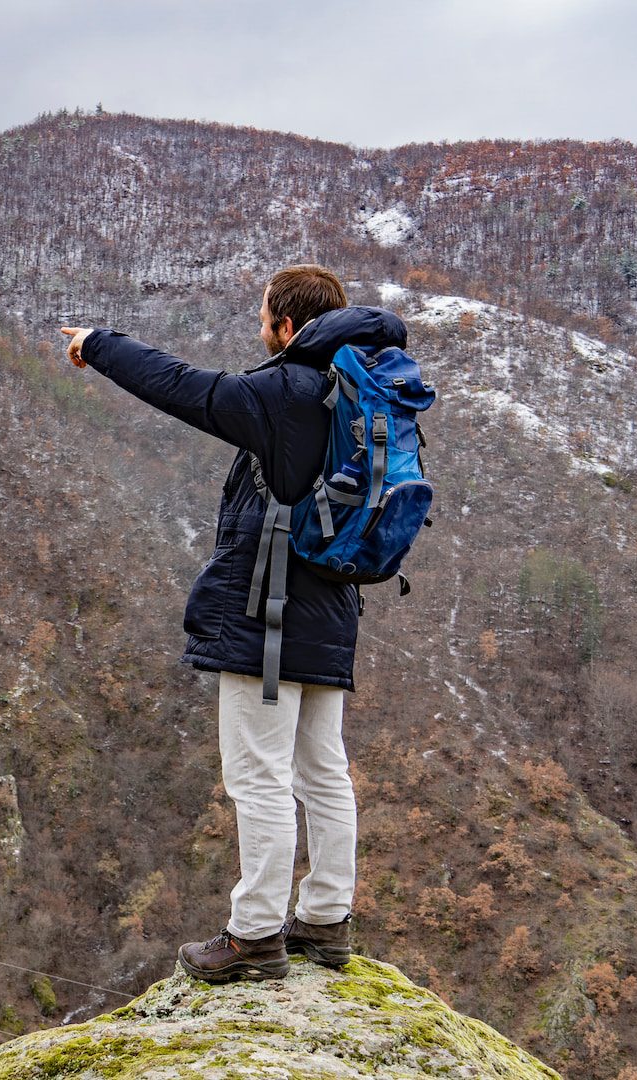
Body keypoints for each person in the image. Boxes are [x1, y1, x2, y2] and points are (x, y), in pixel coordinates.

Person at [61, 265, 407, 982]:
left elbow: (181, 385)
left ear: (286, 327)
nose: (260, 327)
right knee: (323, 772)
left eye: (263, 317)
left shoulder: (285, 391)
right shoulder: (362, 391)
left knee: (259, 779)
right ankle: (326, 920)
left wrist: (99, 343)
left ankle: (254, 936)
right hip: (333, 609)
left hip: (267, 621)